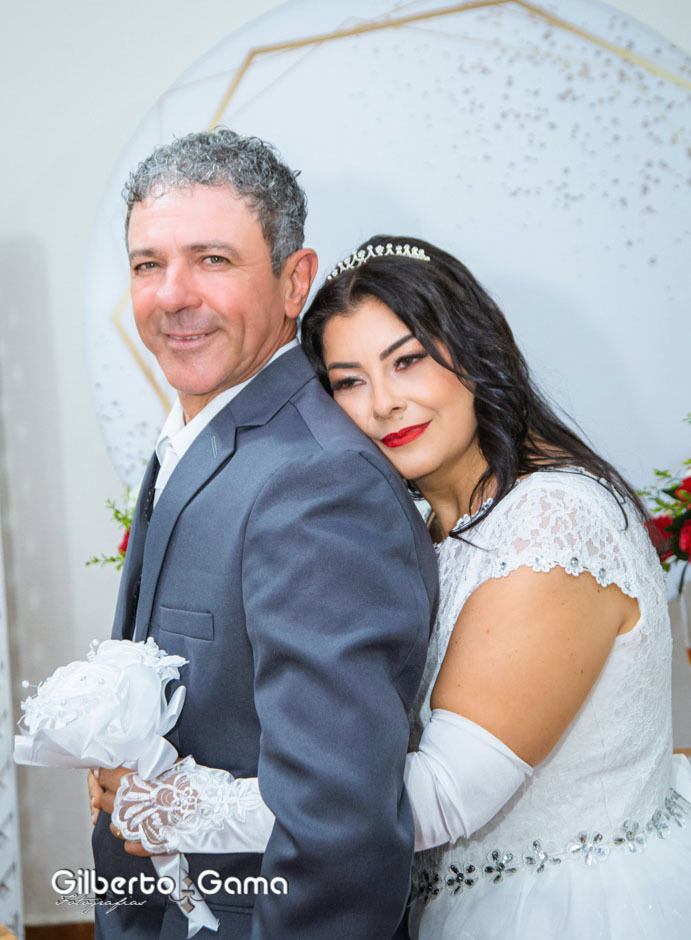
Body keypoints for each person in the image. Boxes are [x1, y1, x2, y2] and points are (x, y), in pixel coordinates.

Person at [116, 233, 691, 938]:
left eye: (407, 361)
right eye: (349, 381)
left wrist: (180, 806)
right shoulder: (413, 527)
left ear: (476, 353)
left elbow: (443, 796)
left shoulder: (554, 524)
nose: (383, 403)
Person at [88, 137, 438, 940]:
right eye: (147, 265)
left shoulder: (318, 481)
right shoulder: (202, 434)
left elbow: (337, 825)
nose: (172, 296)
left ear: (293, 281)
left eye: (212, 259)